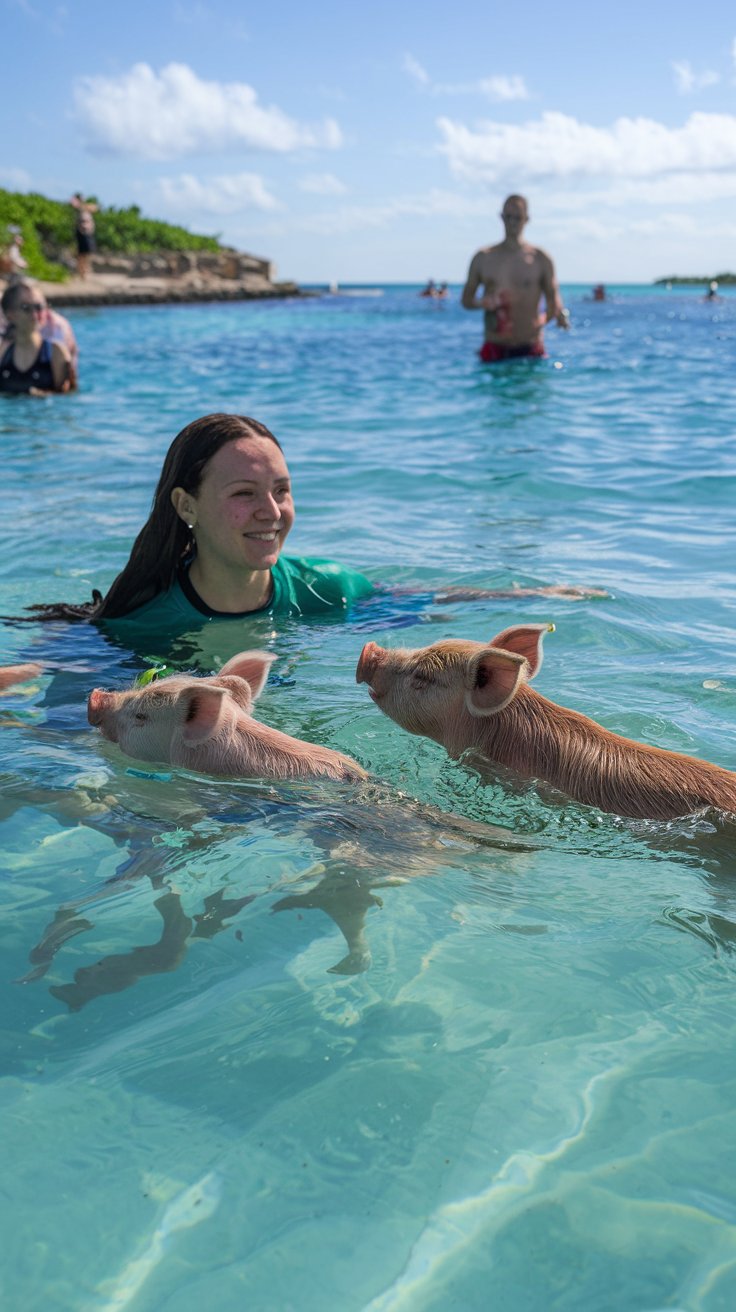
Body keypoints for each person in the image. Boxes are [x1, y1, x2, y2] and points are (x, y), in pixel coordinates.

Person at [15, 413, 606, 635]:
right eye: (244, 494)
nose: (271, 514)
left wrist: (531, 595)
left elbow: (421, 601)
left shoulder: (325, 588)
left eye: (282, 491)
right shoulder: (140, 625)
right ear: (186, 506)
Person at [461, 194, 570, 362]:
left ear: (526, 219)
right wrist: (482, 302)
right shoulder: (483, 257)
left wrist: (559, 314)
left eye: (517, 217)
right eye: (508, 217)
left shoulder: (540, 259)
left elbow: (553, 298)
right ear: (501, 218)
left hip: (531, 349)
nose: (512, 222)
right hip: (495, 349)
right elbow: (466, 300)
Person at [0, 280, 74, 395]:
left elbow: (68, 398)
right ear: (10, 314)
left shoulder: (56, 353)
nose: (34, 314)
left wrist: (45, 394)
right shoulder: (2, 353)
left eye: (39, 307)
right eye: (26, 308)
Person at [69, 193, 99, 280]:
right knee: (81, 255)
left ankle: (85, 271)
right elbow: (74, 204)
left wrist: (83, 204)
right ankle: (82, 273)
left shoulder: (86, 208)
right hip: (81, 234)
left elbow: (95, 207)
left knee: (88, 254)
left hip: (88, 234)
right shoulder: (79, 208)